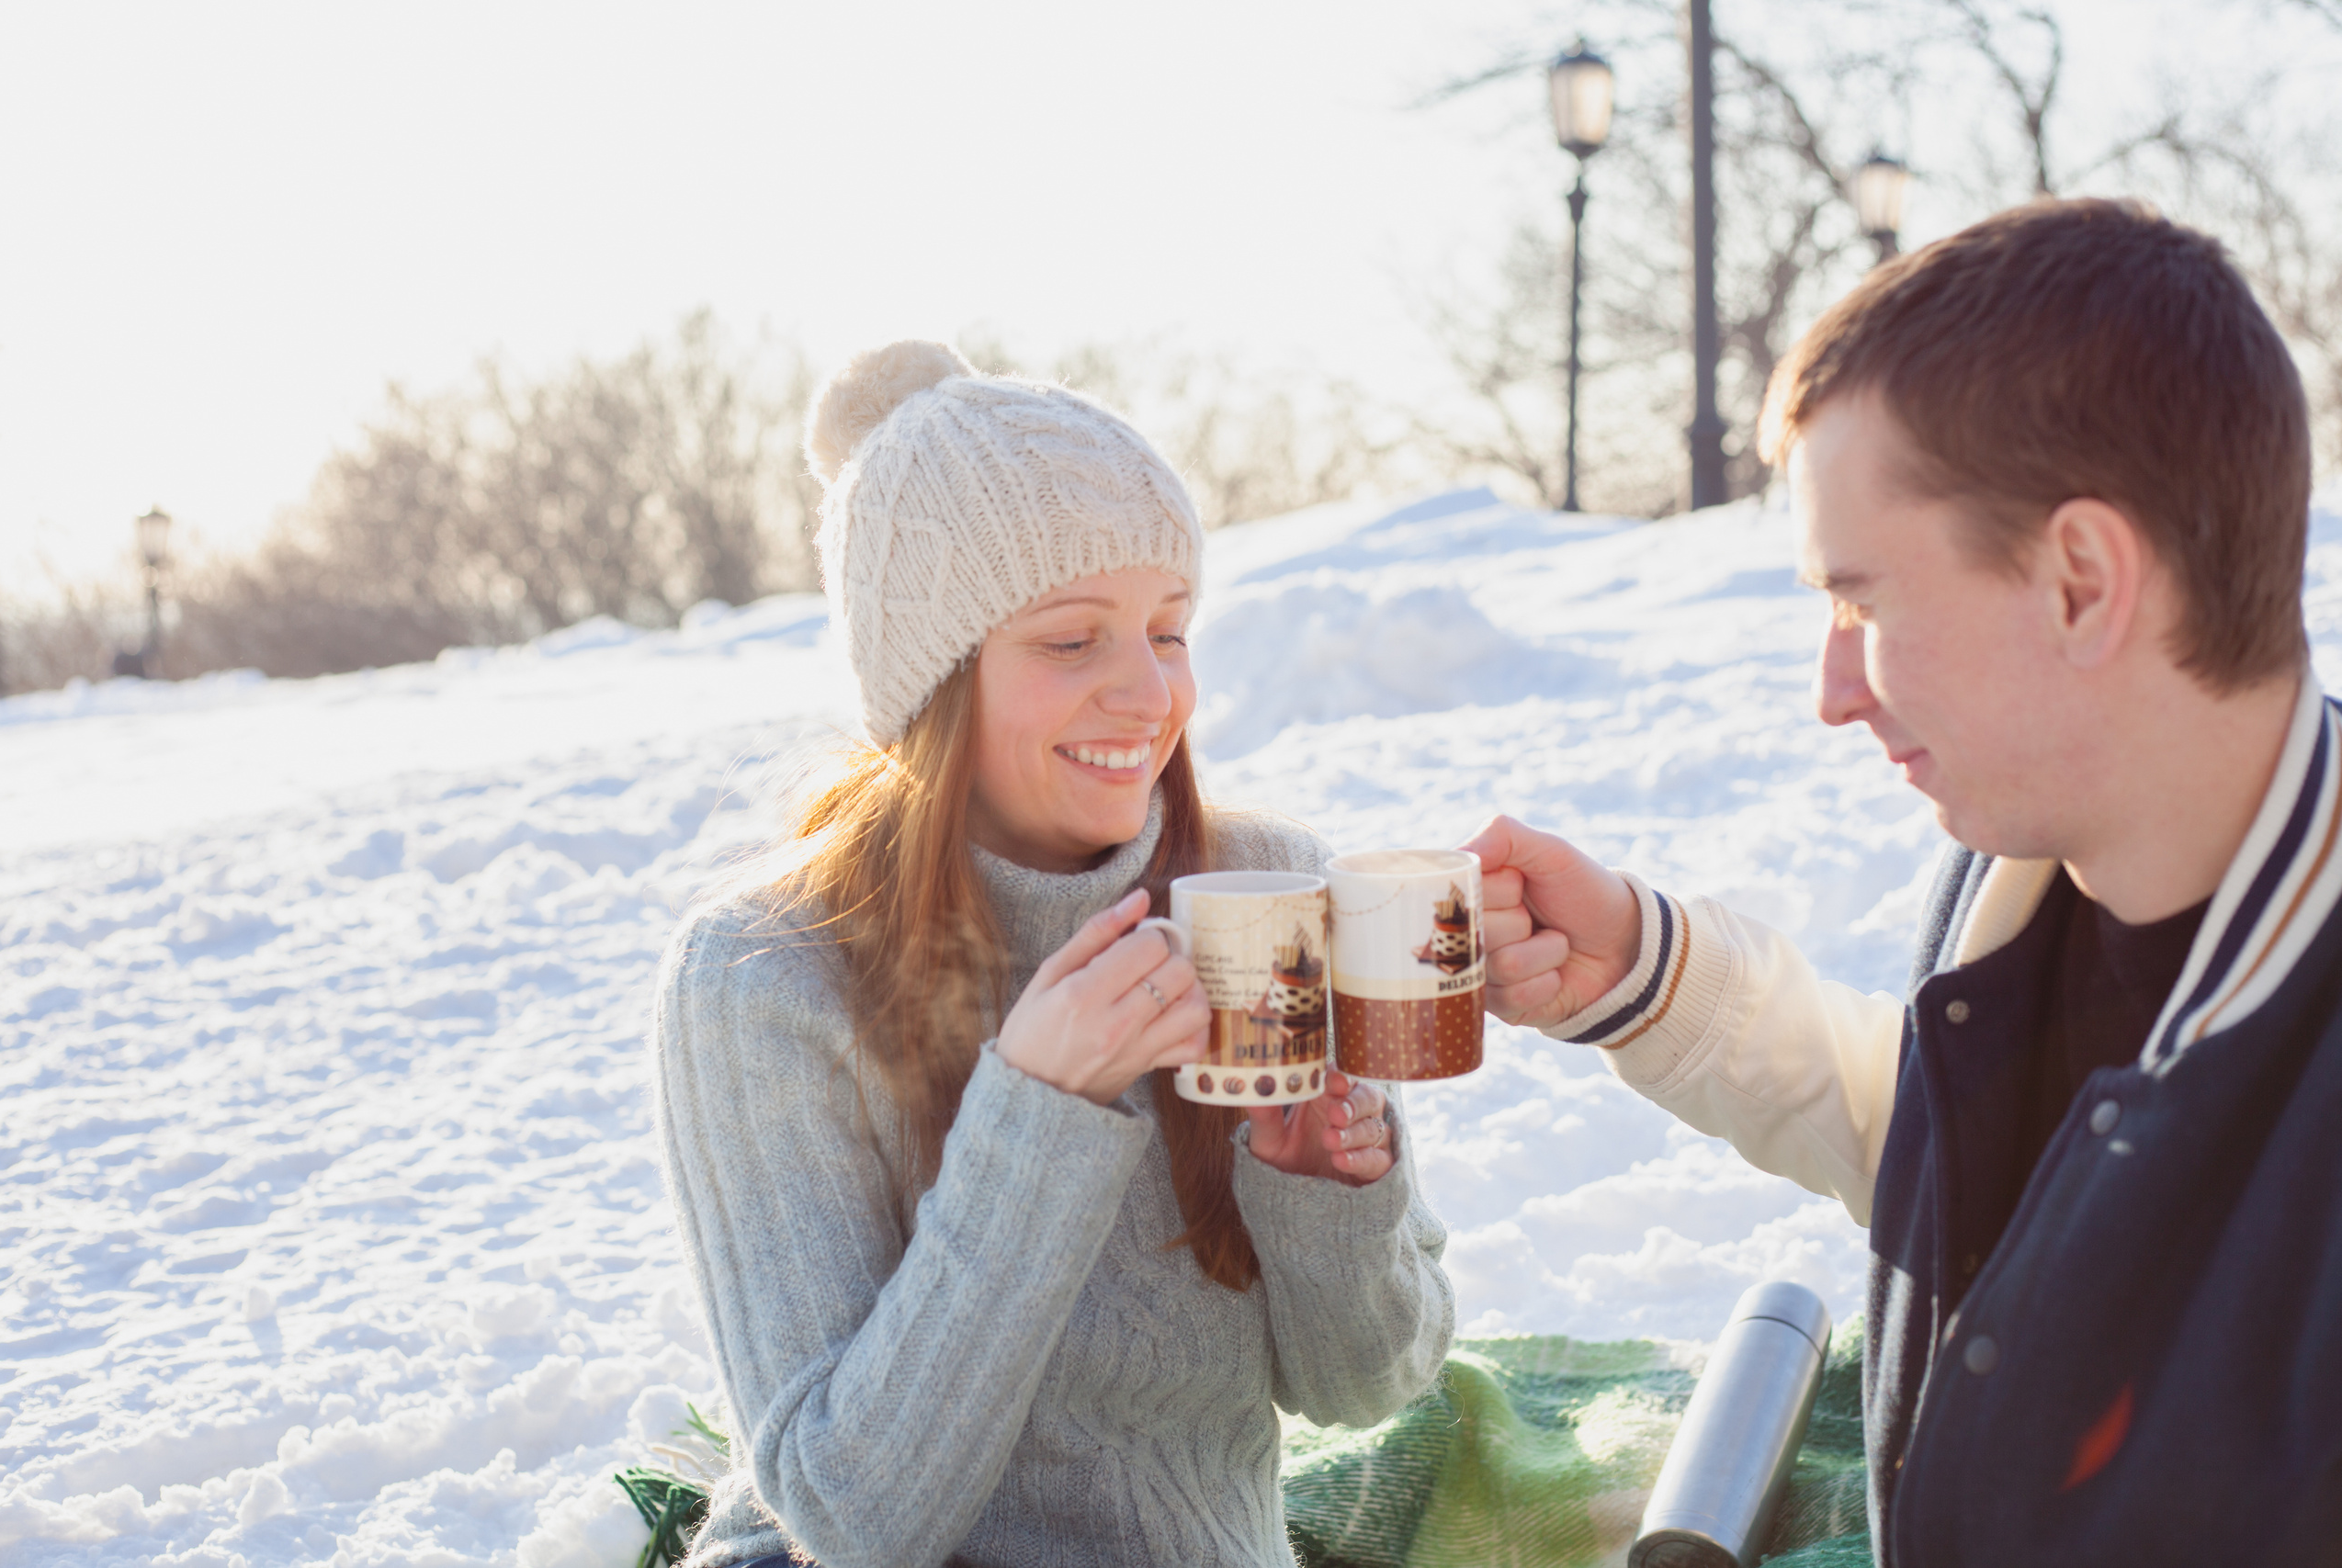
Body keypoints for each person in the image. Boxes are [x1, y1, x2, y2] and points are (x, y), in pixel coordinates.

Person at [1469, 199, 2341, 1562]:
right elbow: (1992, 1165)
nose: (1831, 692)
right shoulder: (2021, 869)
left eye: (1862, 604)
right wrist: (1651, 978)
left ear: (2080, 583)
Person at [652, 341, 1454, 1568]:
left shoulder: (1261, 887)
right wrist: (1040, 1111)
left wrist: (1325, 1191)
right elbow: (851, 1515)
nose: (1149, 697)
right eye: (1072, 642)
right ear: (934, 683)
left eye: (1169, 632)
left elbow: (1371, 1383)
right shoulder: (766, 976)